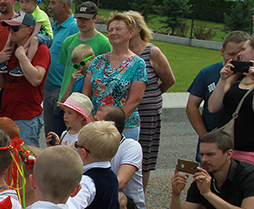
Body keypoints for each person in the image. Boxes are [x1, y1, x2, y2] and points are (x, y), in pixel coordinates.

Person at [127, 10, 175, 189]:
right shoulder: (121, 52)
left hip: (147, 111)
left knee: (144, 156)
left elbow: (169, 80)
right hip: (126, 110)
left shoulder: (152, 52)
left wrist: (152, 95)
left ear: (138, 29)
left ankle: (140, 196)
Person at [83, 12, 147, 141]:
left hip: (125, 128)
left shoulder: (138, 64)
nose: (113, 33)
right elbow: (86, 93)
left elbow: (135, 100)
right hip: (95, 125)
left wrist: (112, 125)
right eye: (111, 30)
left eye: (118, 29)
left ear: (131, 33)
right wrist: (91, 119)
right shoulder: (98, 61)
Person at [186, 31, 248, 162]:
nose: (235, 59)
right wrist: (205, 136)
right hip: (211, 134)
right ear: (222, 51)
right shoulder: (208, 72)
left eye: (239, 55)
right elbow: (192, 106)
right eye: (230, 54)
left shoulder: (248, 77)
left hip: (240, 143)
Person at [0, 11, 51, 146]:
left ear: (29, 30)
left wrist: (22, 57)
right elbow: (0, 84)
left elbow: (36, 79)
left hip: (26, 118)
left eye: (15, 28)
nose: (11, 32)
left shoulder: (41, 49)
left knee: (25, 156)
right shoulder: (10, 49)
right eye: (9, 27)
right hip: (5, 114)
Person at [98, 105, 146, 209]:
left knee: (118, 196)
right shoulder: (93, 144)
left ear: (111, 126)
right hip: (102, 196)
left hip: (129, 206)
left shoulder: (131, 146)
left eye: (97, 121)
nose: (92, 125)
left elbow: (120, 183)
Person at [207, 35, 254, 165]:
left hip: (249, 151)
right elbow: (213, 107)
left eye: (243, 49)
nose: (239, 54)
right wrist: (223, 79)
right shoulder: (235, 77)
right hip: (227, 148)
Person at [58, 2, 112, 103]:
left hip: (87, 100)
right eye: (79, 18)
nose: (81, 22)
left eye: (86, 19)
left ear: (95, 19)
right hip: (66, 98)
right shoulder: (68, 41)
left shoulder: (104, 43)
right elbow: (64, 69)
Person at [0, 0, 52, 77]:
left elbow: (35, 32)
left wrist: (23, 48)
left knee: (34, 40)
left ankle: (27, 61)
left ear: (36, 2)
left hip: (45, 36)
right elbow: (14, 31)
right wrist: (6, 47)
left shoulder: (39, 14)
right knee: (12, 35)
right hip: (33, 35)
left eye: (27, 1)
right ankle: (5, 62)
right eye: (21, 2)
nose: (24, 5)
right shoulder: (23, 13)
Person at [43, 0, 78, 137]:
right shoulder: (53, 27)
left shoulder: (74, 28)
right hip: (48, 88)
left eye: (53, 3)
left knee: (60, 134)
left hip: (61, 90)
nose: (49, 6)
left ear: (64, 6)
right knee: (49, 133)